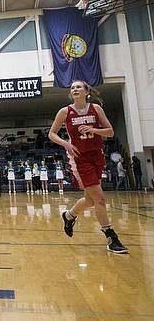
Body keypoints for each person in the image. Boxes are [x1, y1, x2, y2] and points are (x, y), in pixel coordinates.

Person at [48, 80, 128, 254]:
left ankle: (69, 215)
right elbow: (52, 133)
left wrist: (95, 130)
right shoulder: (65, 111)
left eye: (78, 87)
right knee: (99, 199)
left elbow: (110, 132)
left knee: (91, 200)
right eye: (72, 88)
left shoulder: (96, 109)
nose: (75, 89)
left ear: (86, 91)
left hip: (97, 155)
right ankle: (110, 236)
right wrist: (66, 144)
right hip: (79, 157)